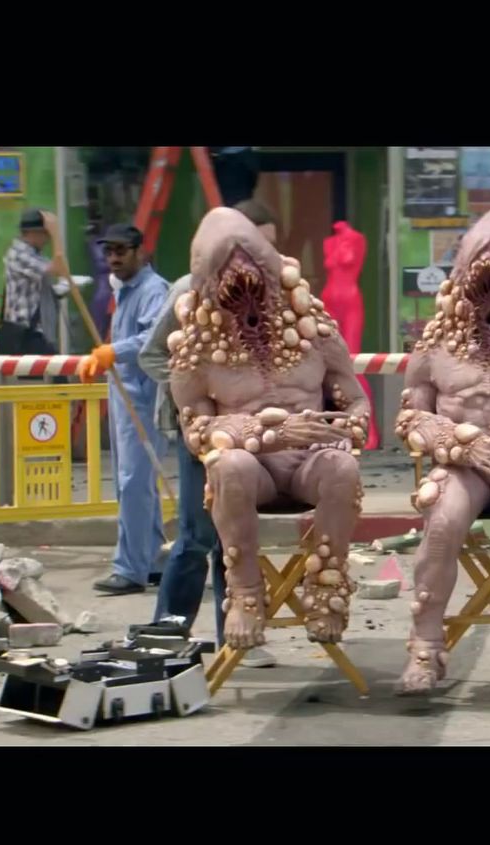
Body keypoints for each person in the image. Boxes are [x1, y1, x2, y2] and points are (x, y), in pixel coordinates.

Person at [138, 200, 279, 666]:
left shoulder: (276, 295)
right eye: (260, 244)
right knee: (198, 536)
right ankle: (167, 634)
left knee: (233, 534)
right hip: (197, 432)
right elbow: (152, 355)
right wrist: (198, 391)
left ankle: (234, 639)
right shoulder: (188, 290)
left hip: (251, 433)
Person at [79, 224, 170, 596]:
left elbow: (153, 338)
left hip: (145, 400)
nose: (113, 259)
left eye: (121, 251)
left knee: (134, 483)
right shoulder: (125, 291)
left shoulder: (154, 290)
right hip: (123, 395)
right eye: (109, 252)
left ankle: (129, 569)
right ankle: (152, 560)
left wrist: (113, 351)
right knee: (132, 484)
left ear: (140, 251)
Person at [0, 209, 64, 355]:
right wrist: (56, 235)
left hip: (36, 330)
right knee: (48, 375)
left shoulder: (33, 253)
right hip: (26, 331)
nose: (47, 239)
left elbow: (57, 271)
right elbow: (58, 268)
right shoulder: (19, 254)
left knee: (55, 374)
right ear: (32, 233)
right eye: (45, 234)